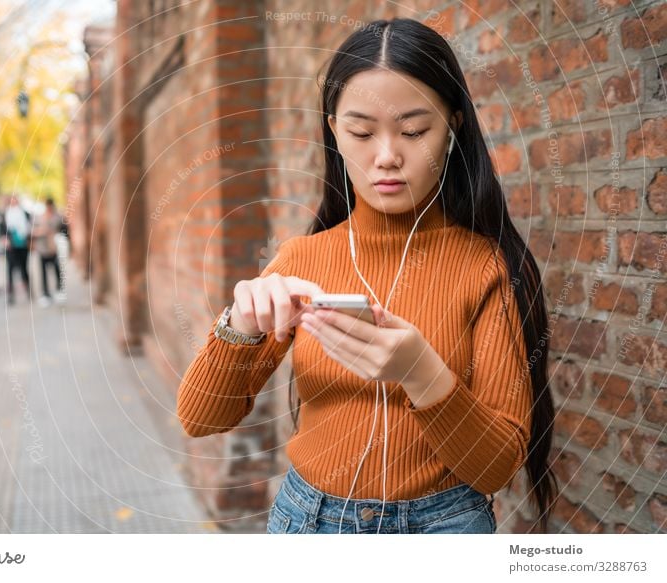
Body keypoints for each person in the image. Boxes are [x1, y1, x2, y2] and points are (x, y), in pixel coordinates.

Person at [176, 18, 557, 535]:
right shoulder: (301, 260)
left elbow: (494, 467)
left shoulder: (485, 268)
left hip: (442, 527)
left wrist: (421, 371)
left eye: (414, 130)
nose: (386, 156)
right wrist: (239, 323)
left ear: (454, 126)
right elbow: (200, 419)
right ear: (333, 130)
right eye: (360, 131)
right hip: (307, 523)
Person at [31, 197, 65, 306]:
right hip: (42, 249)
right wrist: (41, 231)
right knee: (43, 272)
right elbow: (32, 231)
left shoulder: (57, 217)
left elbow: (64, 229)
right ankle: (45, 294)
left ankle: (59, 291)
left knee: (57, 270)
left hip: (53, 248)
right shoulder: (39, 218)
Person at [1, 194, 32, 304]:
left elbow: (30, 228)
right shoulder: (5, 214)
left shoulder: (25, 213)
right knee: (10, 270)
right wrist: (4, 239)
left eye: (15, 200)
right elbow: (2, 230)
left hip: (23, 244)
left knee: (24, 268)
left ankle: (28, 291)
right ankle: (11, 294)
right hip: (11, 246)